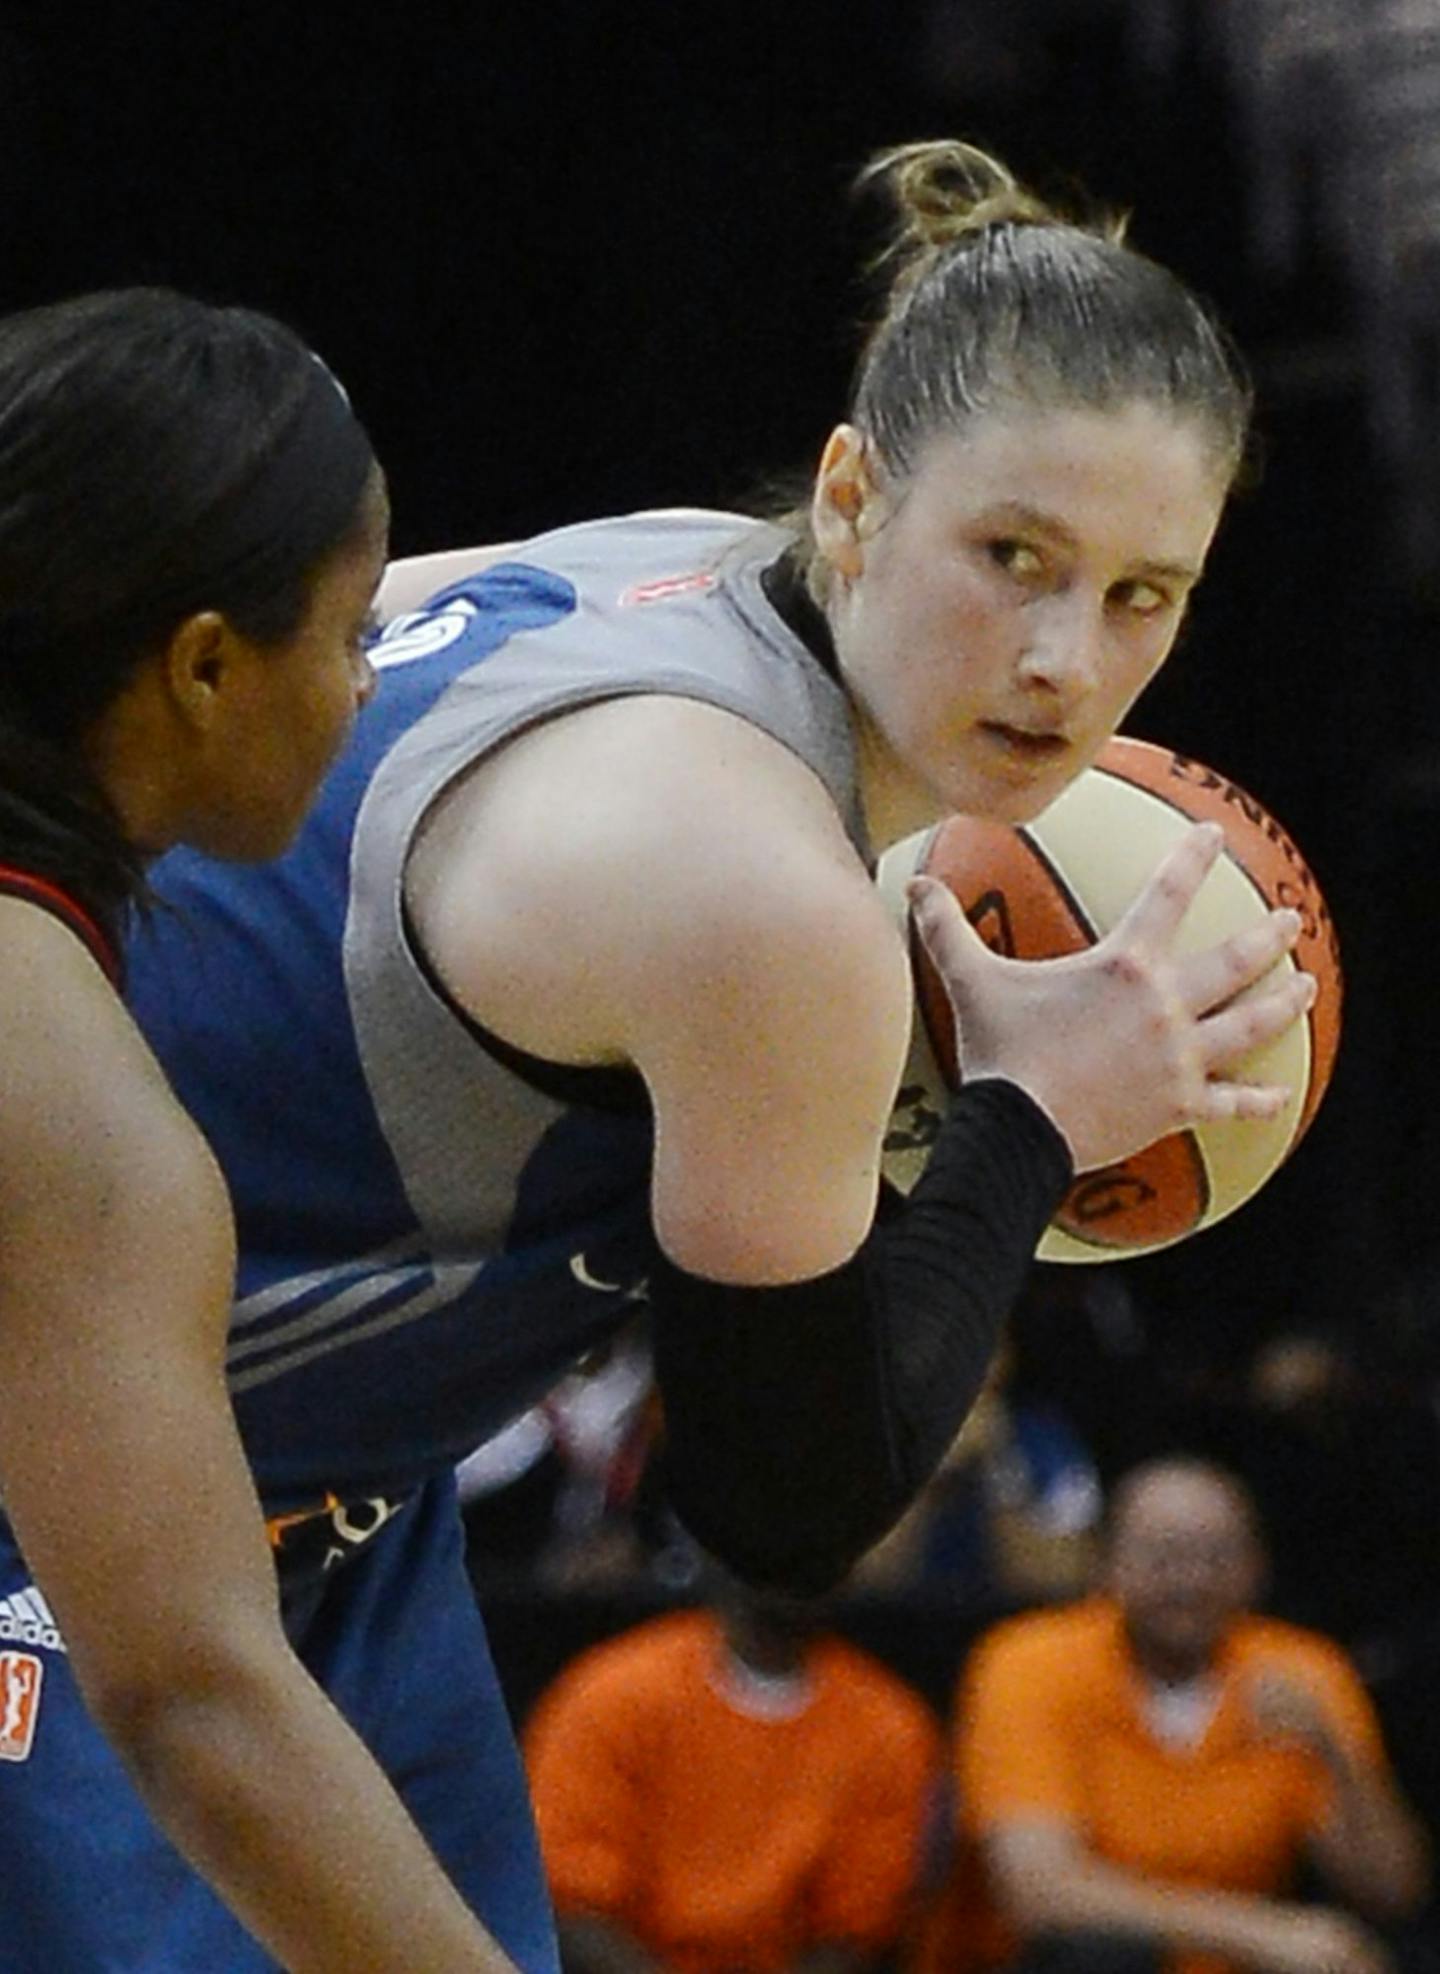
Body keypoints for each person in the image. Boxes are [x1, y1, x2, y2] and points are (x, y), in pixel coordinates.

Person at [114, 138, 1315, 1971]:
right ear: (853, 497)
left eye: (1145, 594)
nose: (1068, 659)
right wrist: (1031, 1120)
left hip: (333, 1510)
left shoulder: (658, 563)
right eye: (1015, 556)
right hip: (90, 1492)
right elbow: (782, 1508)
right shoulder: (757, 886)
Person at [0, 290, 555, 1972]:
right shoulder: (62, 1090)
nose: (372, 682)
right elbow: (192, 1702)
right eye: (351, 633)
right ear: (203, 665)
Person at [922, 1458, 1430, 1974]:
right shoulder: (1028, 1660)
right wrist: (1258, 1931)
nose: (1191, 1580)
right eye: (1163, 1555)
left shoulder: (1299, 1670)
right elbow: (1038, 1889)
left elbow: (1392, 1894)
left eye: (1217, 1555)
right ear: (1108, 1563)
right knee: (1096, 1956)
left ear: (1258, 1567)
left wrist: (1335, 1754)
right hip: (1062, 1964)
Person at [523, 1573, 942, 1974]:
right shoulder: (612, 1694)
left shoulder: (889, 1726)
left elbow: (857, 1931)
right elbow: (569, 1903)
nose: (786, 1560)